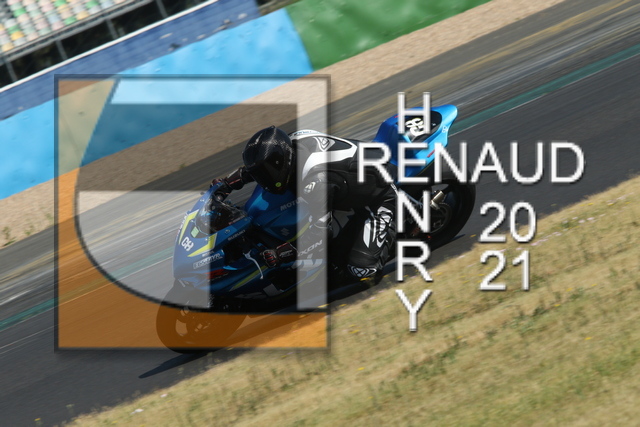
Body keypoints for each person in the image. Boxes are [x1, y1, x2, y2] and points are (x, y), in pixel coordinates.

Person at [212, 126, 396, 281]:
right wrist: (227, 184)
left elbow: (320, 234)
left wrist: (282, 253)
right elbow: (260, 166)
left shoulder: (316, 181)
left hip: (380, 196)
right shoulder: (288, 146)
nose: (264, 179)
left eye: (267, 173)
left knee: (361, 271)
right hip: (349, 183)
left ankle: (397, 234)